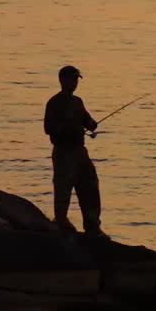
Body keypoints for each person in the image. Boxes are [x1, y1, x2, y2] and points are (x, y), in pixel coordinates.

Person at [43, 65, 104, 238]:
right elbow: (48, 128)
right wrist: (67, 127)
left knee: (90, 186)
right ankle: (61, 222)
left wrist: (91, 123)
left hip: (80, 151)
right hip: (63, 152)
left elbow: (87, 120)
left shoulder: (78, 101)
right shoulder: (54, 103)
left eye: (76, 79)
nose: (75, 82)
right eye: (72, 79)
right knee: (63, 188)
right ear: (62, 80)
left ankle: (92, 225)